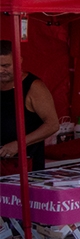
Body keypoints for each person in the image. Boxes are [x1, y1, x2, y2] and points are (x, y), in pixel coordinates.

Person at [0, 40, 60, 172]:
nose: (0, 70)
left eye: (6, 65)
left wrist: (19, 144)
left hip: (26, 165)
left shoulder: (34, 87)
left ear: (19, 60)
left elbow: (52, 124)